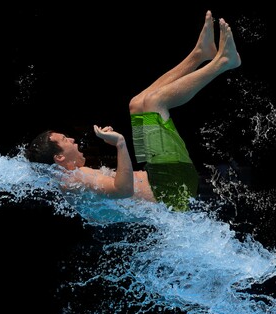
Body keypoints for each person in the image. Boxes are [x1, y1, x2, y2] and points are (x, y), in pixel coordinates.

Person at [24, 10, 241, 212]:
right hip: (173, 190)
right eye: (64, 139)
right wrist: (120, 144)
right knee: (155, 103)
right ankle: (223, 62)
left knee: (137, 104)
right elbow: (123, 190)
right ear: (59, 157)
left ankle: (200, 54)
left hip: (162, 181)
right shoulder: (74, 179)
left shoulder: (70, 179)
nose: (72, 139)